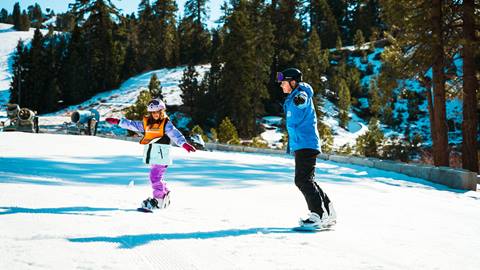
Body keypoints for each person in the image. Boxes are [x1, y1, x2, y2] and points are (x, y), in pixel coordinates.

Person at [106, 98, 196, 210]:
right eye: (153, 112)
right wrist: (119, 122)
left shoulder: (166, 124)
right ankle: (164, 194)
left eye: (157, 112)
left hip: (162, 155)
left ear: (162, 111)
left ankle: (158, 199)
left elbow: (175, 134)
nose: (155, 114)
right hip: (153, 155)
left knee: (154, 177)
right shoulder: (147, 123)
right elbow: (133, 125)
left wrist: (184, 144)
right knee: (157, 177)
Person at [277, 68, 336, 228]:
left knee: (302, 180)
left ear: (293, 82)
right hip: (304, 143)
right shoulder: (292, 97)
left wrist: (300, 99)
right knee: (307, 180)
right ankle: (328, 211)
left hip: (305, 143)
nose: (281, 85)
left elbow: (303, 99)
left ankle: (317, 215)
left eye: (283, 82)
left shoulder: (300, 95)